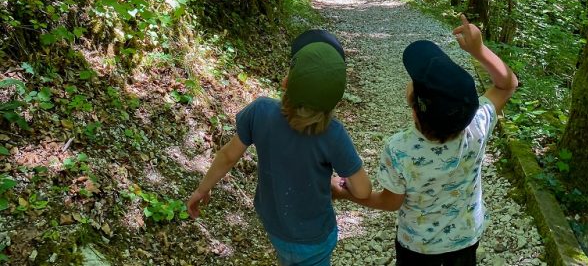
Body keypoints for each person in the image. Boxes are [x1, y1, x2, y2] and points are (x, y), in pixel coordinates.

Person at [331, 14, 518, 266]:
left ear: (415, 106)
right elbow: (507, 85)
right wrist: (479, 50)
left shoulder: (399, 149)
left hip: (416, 247)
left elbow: (390, 201)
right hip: (465, 240)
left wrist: (347, 195)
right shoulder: (477, 125)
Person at [187, 29, 371, 266]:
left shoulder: (260, 111)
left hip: (275, 226)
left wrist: (202, 190)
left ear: (286, 82)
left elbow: (227, 156)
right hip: (315, 238)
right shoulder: (333, 134)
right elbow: (364, 190)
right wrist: (339, 186)